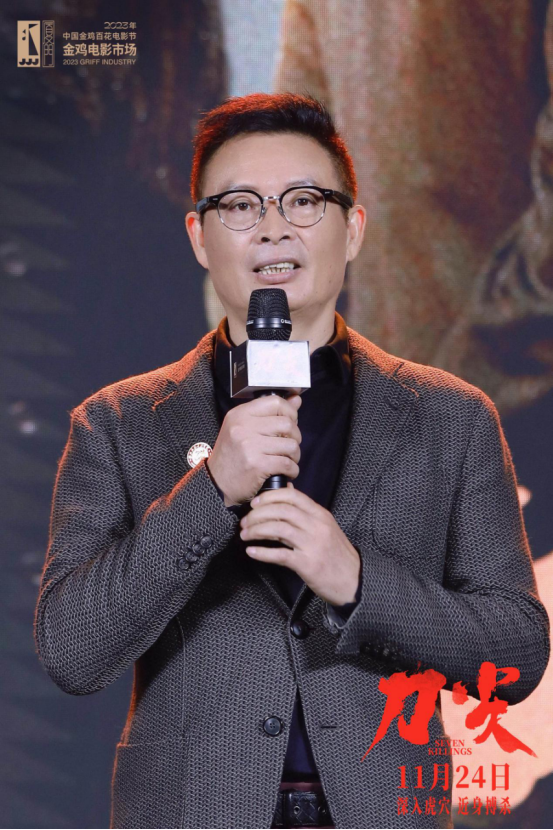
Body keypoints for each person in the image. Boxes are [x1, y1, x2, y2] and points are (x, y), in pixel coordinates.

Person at [34, 93, 550, 830]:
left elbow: (516, 654)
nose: (273, 227)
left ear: (353, 228)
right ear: (199, 237)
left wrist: (357, 582)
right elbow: (71, 650)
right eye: (240, 205)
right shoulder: (118, 422)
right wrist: (212, 488)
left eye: (304, 201)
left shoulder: (452, 418)